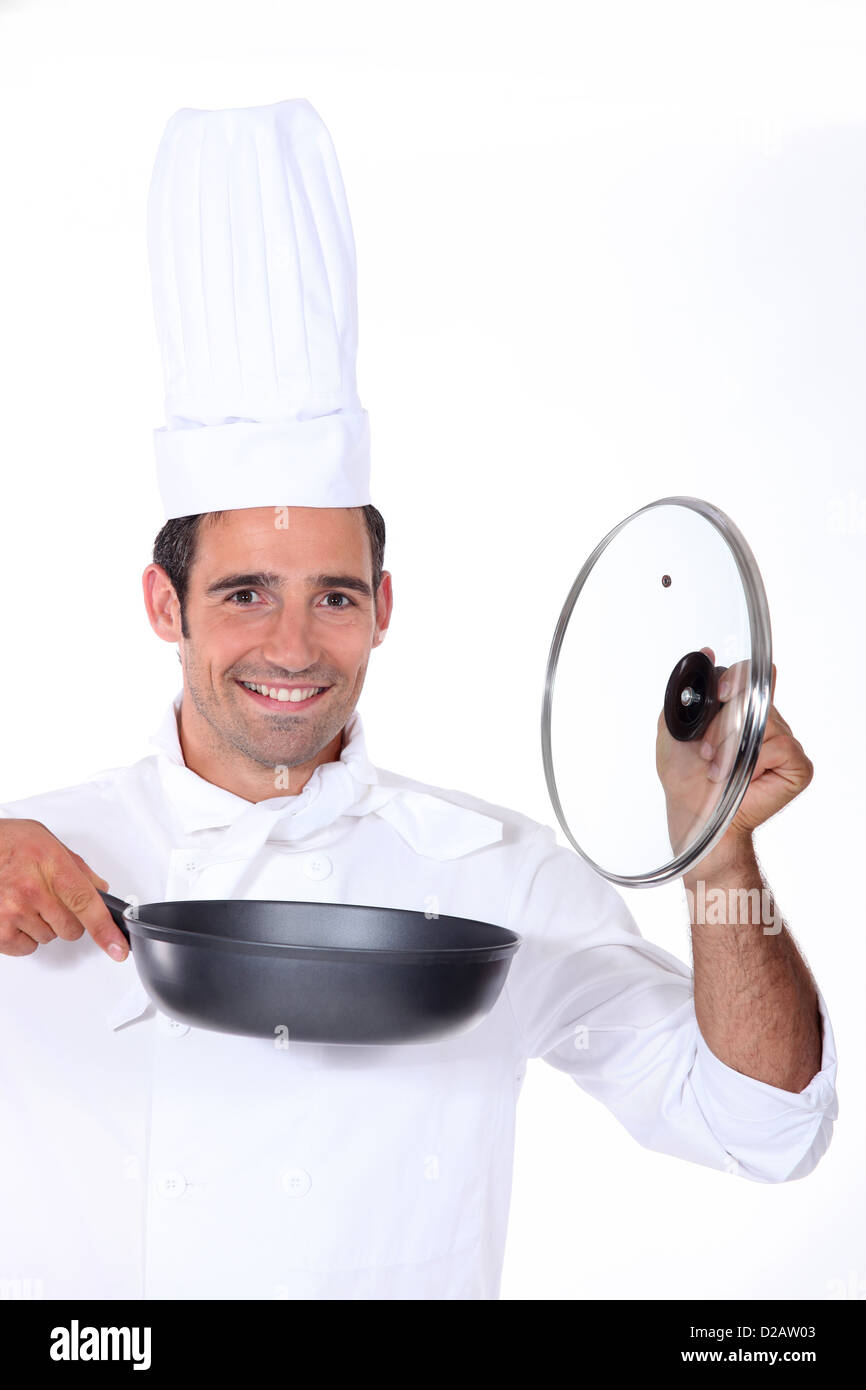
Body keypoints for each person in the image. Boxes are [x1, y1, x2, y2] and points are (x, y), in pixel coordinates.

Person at [0, 100, 837, 1301]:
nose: (293, 645)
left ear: (384, 608)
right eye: (243, 592)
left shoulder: (500, 878)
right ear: (161, 603)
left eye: (333, 596)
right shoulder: (31, 858)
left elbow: (764, 1128)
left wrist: (718, 862)